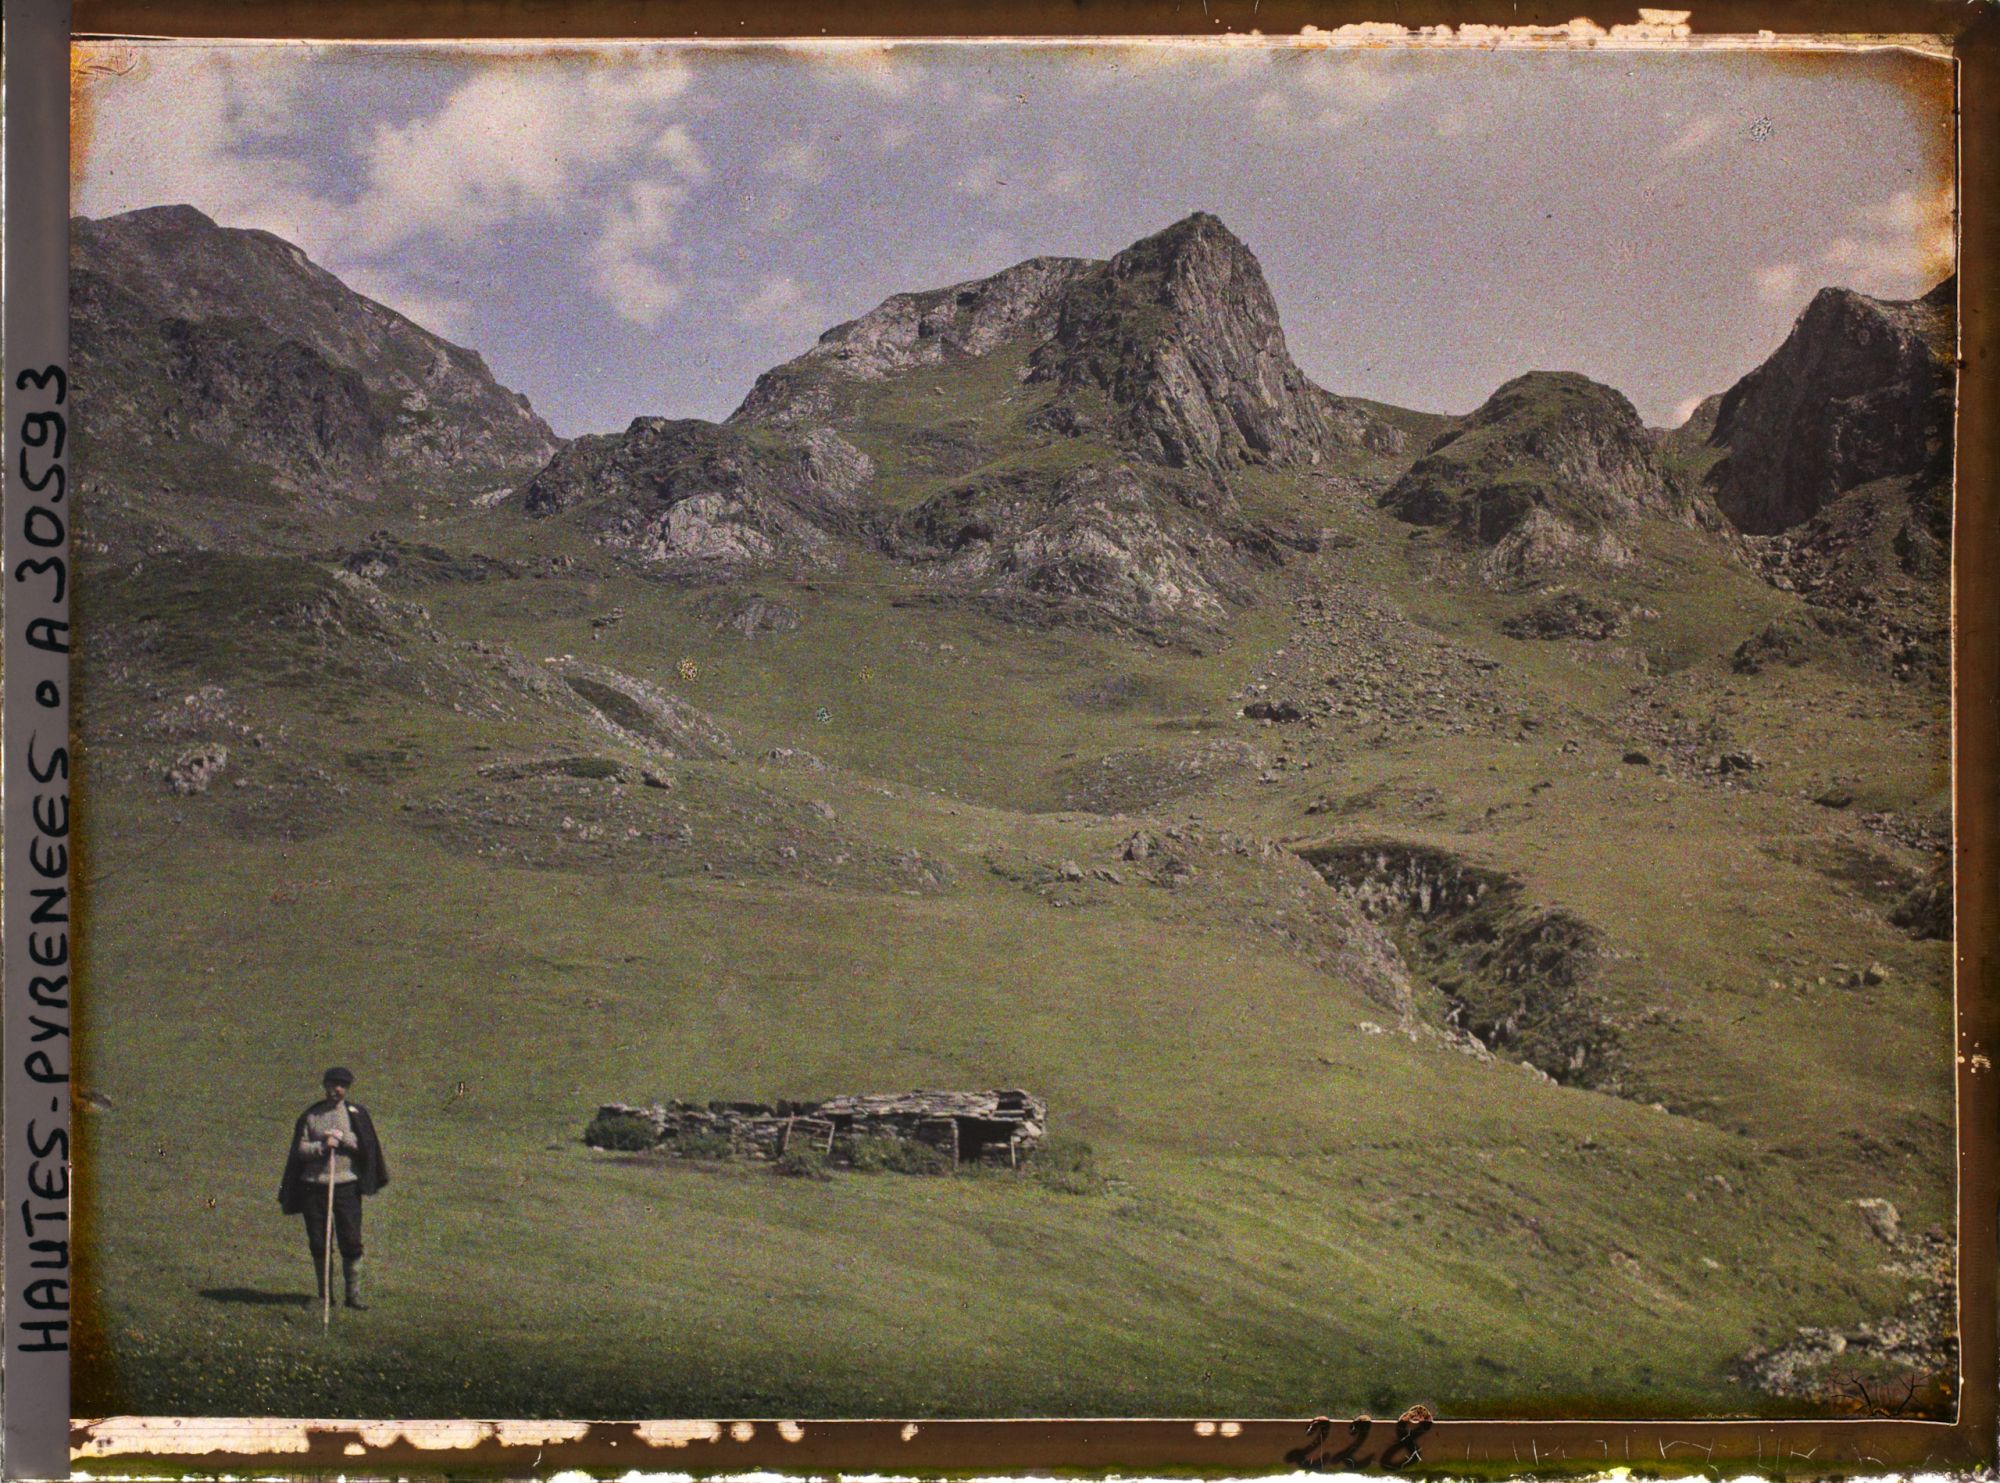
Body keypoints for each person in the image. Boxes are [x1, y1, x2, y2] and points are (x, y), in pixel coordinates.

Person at [277, 1066, 389, 1310]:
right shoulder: (311, 1116)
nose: (336, 1090)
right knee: (319, 1241)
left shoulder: (356, 1114)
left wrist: (344, 1139)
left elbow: (366, 1147)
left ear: (347, 1089)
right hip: (314, 1187)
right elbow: (300, 1149)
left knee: (350, 1240)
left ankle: (353, 1296)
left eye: (341, 1086)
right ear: (325, 1085)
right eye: (332, 1084)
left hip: (346, 1186)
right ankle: (325, 1295)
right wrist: (322, 1146)